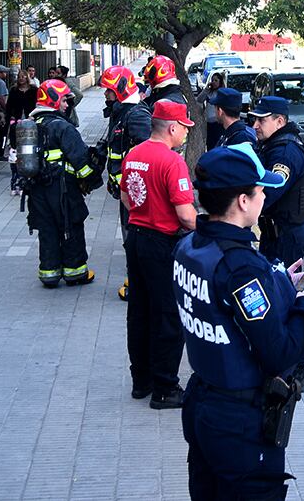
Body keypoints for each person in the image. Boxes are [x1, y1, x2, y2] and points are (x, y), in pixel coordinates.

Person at [177, 144, 304, 500]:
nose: (263, 198)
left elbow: (220, 304)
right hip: (238, 420)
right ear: (243, 201)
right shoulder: (241, 266)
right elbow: (280, 352)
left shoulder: (190, 246)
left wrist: (276, 283)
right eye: (260, 191)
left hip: (204, 401)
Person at [121, 99, 198, 409]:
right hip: (161, 244)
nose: (186, 135)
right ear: (172, 127)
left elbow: (127, 197)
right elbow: (186, 216)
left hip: (136, 239)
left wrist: (147, 213)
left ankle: (141, 381)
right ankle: (165, 388)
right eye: (185, 129)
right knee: (167, 314)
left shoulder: (134, 154)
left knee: (139, 311)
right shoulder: (171, 161)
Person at [251, 94, 304, 392]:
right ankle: (279, 361)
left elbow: (271, 191)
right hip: (275, 233)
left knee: (288, 299)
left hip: (286, 236)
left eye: (261, 120)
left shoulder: (287, 152)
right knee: (275, 296)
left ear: (279, 121)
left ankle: (297, 368)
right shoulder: (274, 145)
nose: (255, 125)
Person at [24, 79, 98, 288]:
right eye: (65, 100)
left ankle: (49, 274)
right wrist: (91, 180)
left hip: (37, 189)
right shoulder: (63, 127)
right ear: (54, 100)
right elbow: (81, 160)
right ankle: (75, 273)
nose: (67, 105)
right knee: (70, 226)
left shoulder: (31, 125)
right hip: (63, 189)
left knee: (47, 229)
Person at [98, 66, 153, 302]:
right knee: (130, 237)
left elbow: (146, 154)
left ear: (120, 88)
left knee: (136, 238)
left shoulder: (137, 115)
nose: (105, 95)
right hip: (126, 192)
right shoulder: (120, 112)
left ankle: (138, 284)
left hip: (136, 194)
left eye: (109, 90)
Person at [6, 70, 39, 197]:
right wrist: (10, 120)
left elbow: (37, 105)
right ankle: (15, 181)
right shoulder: (14, 90)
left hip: (31, 125)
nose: (21, 79)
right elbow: (9, 107)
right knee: (15, 152)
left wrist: (35, 118)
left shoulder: (34, 90)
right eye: (19, 77)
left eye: (24, 76)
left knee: (30, 152)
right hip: (17, 124)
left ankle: (27, 180)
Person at [196, 73, 224, 148]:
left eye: (216, 80)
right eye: (212, 80)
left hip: (218, 123)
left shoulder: (222, 92)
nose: (214, 82)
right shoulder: (209, 92)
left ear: (220, 82)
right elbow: (199, 99)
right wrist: (206, 89)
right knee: (210, 144)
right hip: (209, 123)